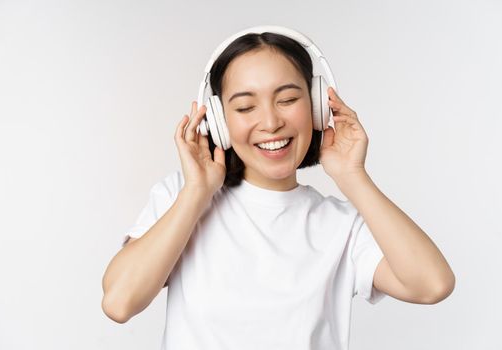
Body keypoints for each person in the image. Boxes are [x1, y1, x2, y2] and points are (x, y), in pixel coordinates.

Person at [102, 27, 455, 350]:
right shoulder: (182, 198)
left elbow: (432, 285)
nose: (271, 123)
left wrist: (353, 176)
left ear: (317, 106)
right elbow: (119, 302)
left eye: (287, 100)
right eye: (244, 106)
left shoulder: (343, 225)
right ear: (219, 121)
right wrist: (197, 192)